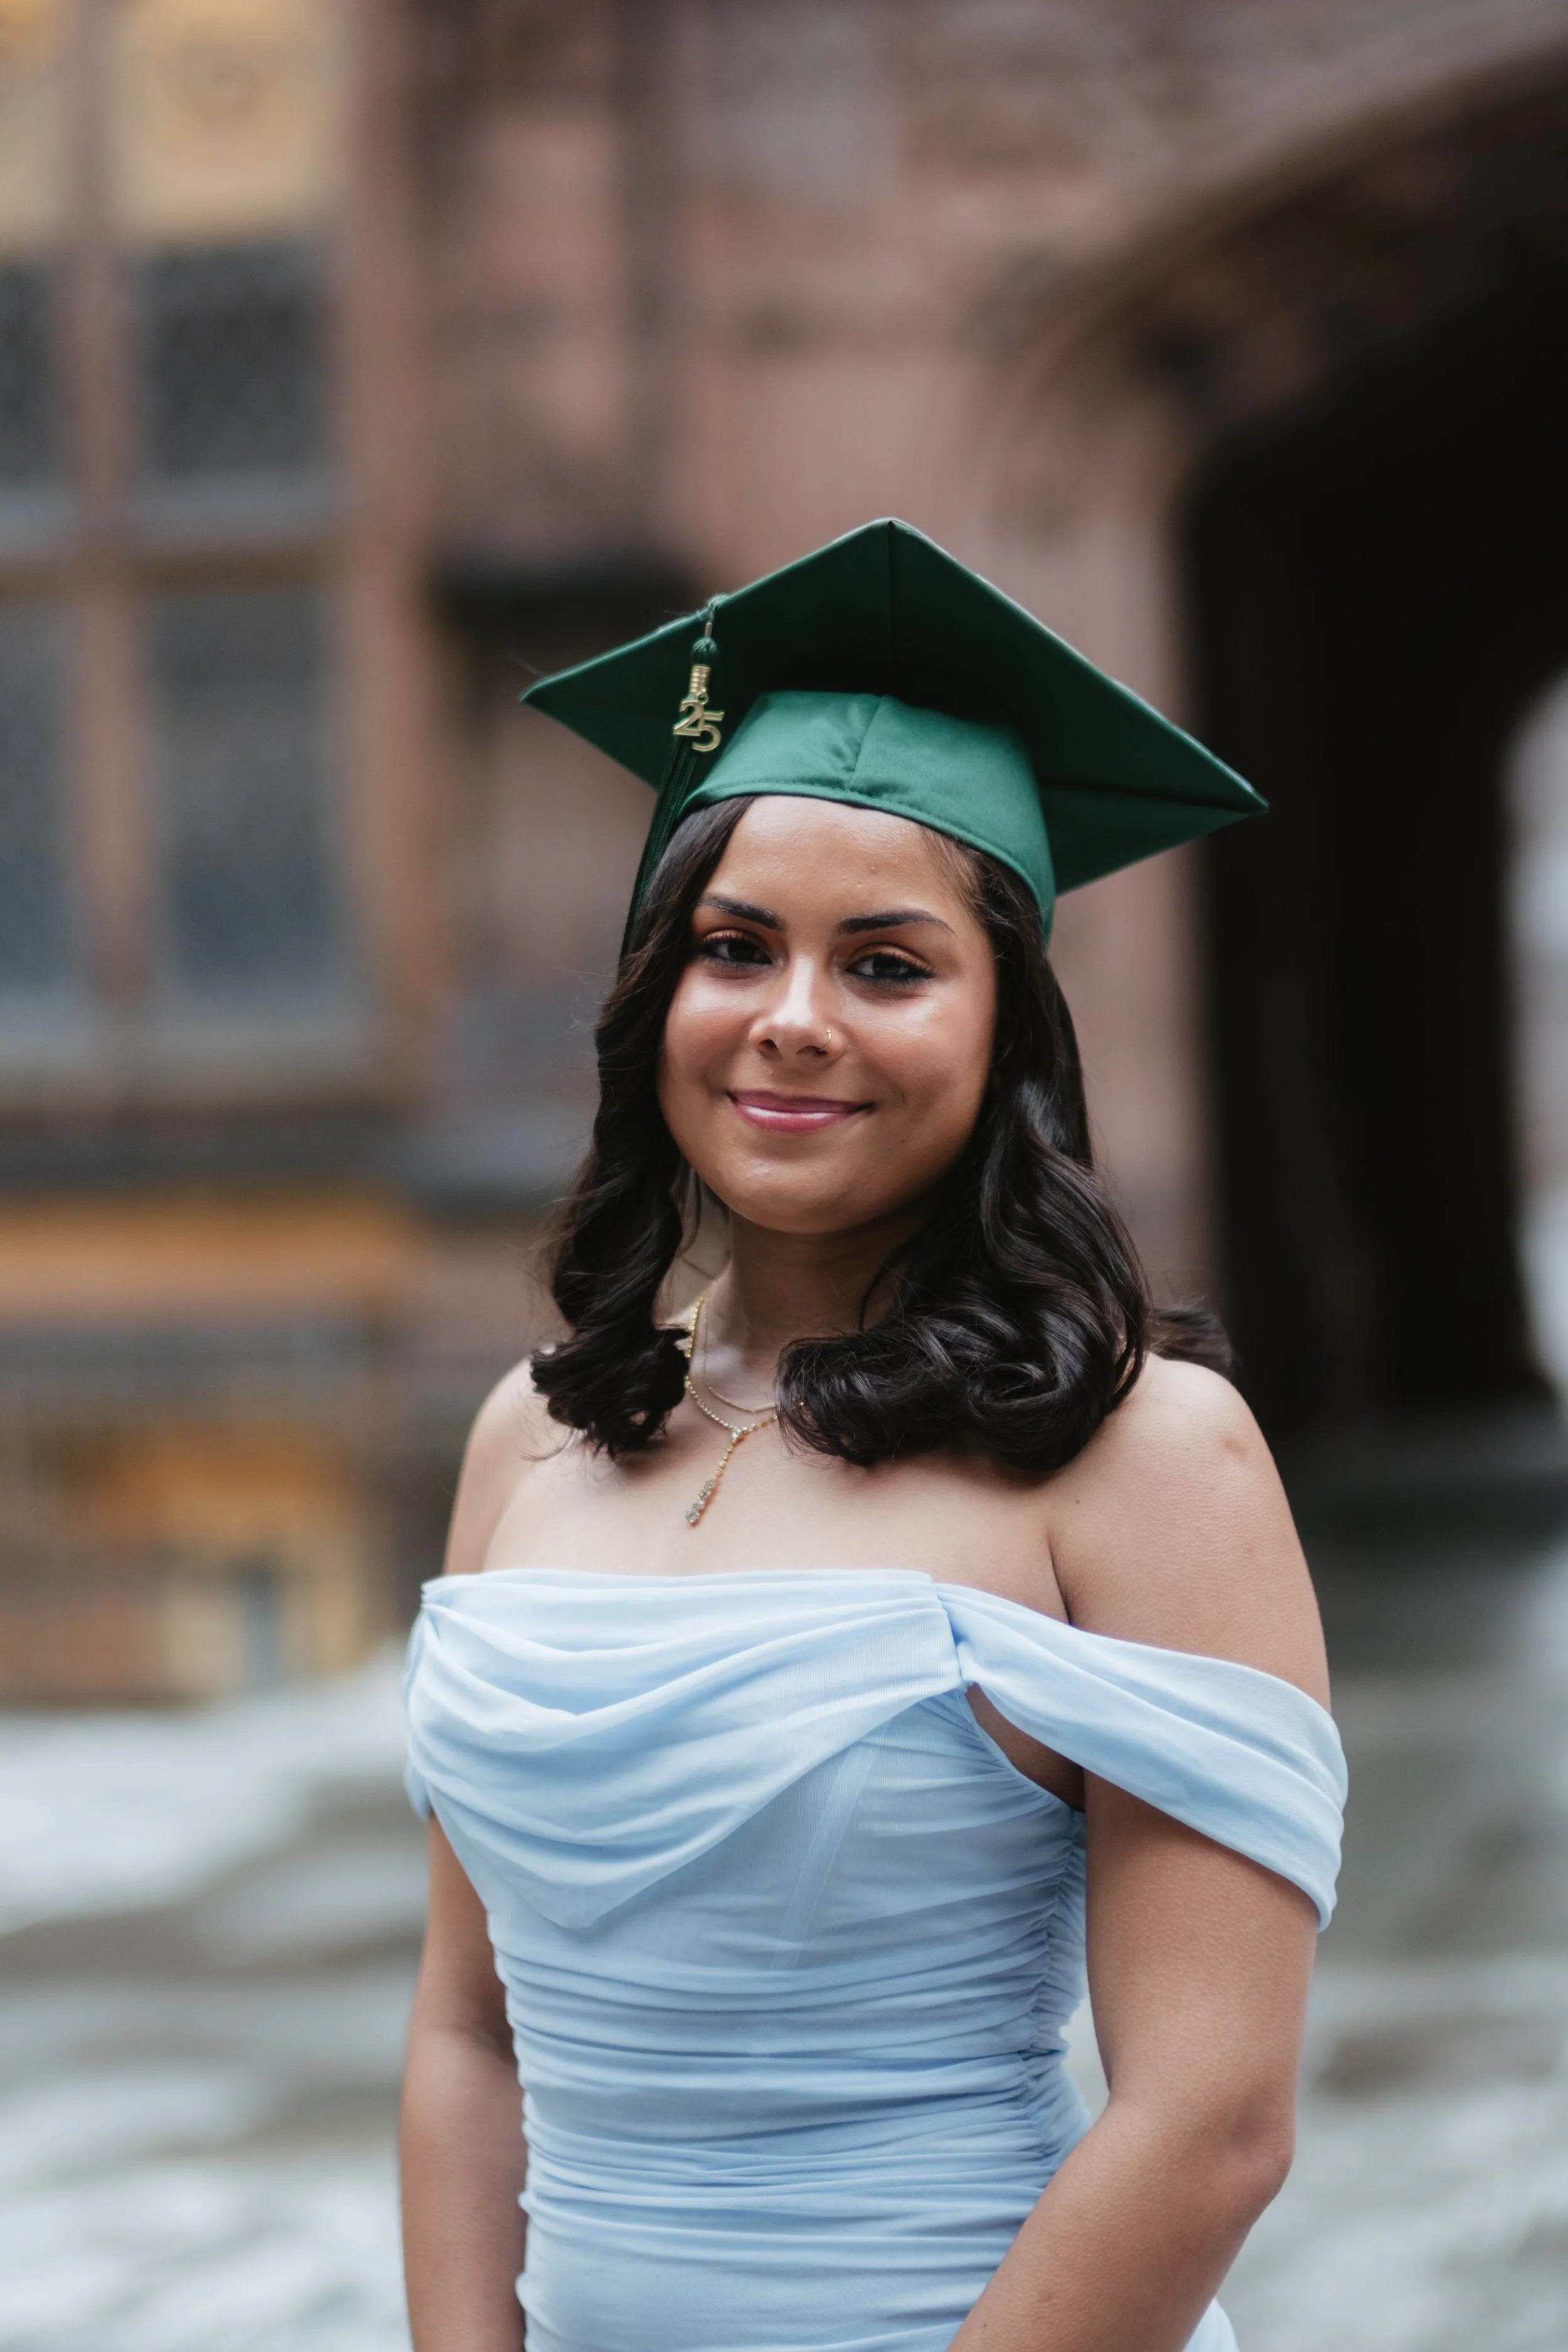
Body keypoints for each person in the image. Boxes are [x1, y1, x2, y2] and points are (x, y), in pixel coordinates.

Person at [400, 519, 1346, 2352]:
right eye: (734, 947)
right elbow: (467, 2027)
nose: (794, 1021)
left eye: (889, 966)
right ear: (650, 994)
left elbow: (1209, 2122)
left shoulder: (1146, 1456)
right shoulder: (526, 1438)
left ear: (1006, 1039)